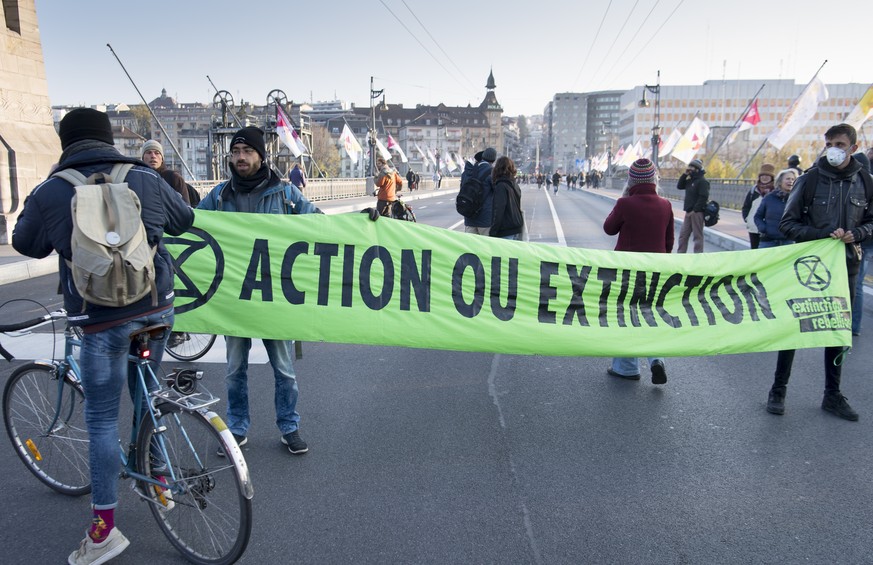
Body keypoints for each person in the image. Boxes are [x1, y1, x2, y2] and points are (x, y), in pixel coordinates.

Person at [12, 108, 195, 564]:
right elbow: (184, 221)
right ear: (110, 138)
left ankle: (104, 532)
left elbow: (25, 244)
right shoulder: (145, 177)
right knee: (147, 393)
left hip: (98, 317)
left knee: (99, 419)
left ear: (64, 142)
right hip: (155, 305)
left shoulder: (51, 190)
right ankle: (159, 480)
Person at [198, 126, 320, 454]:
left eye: (247, 151)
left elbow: (321, 223)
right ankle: (237, 428)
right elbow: (190, 225)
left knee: (284, 369)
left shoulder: (284, 193)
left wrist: (360, 223)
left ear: (260, 155)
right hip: (233, 299)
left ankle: (289, 427)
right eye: (235, 151)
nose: (240, 157)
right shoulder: (219, 195)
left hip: (274, 299)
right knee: (235, 370)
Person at [766, 123, 873, 421]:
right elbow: (787, 224)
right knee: (795, 328)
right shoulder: (810, 179)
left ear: (853, 147)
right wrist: (821, 235)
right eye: (829, 144)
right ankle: (778, 389)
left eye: (839, 144)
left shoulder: (866, 181)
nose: (833, 150)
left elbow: (872, 221)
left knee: (838, 332)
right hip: (808, 269)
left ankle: (832, 395)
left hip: (847, 269)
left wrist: (858, 233)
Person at [602, 159, 674, 384]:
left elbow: (609, 228)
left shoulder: (626, 204)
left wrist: (622, 203)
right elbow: (669, 242)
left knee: (627, 314)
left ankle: (627, 367)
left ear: (631, 179)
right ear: (654, 179)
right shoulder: (666, 205)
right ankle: (656, 359)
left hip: (628, 271)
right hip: (655, 270)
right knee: (650, 314)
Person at [852, 151, 873, 335]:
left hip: (862, 238)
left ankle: (853, 325)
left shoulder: (862, 183)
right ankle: (854, 325)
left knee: (855, 283)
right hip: (866, 238)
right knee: (857, 282)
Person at [754, 168, 796, 248]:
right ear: (780, 181)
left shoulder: (797, 200)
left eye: (793, 179)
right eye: (787, 179)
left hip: (788, 241)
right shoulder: (769, 198)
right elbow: (758, 216)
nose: (790, 181)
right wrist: (763, 228)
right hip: (768, 241)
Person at [141, 139, 191, 205]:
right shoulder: (139, 178)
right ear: (143, 158)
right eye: (149, 152)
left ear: (162, 158)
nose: (153, 156)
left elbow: (186, 207)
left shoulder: (174, 178)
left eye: (157, 153)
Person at [676, 159, 710, 253]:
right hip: (688, 212)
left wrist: (695, 210)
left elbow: (703, 197)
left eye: (692, 167)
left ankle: (697, 257)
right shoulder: (690, 180)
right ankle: (680, 255)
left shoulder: (702, 181)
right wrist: (684, 175)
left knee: (697, 236)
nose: (689, 169)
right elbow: (679, 186)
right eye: (689, 167)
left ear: (697, 169)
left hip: (697, 212)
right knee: (683, 235)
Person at [461, 147, 496, 235]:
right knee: (485, 246)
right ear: (493, 160)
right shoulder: (492, 173)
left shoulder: (468, 171)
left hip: (469, 216)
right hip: (485, 218)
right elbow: (497, 192)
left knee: (470, 247)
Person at [490, 156, 524, 240]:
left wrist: (493, 232)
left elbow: (498, 210)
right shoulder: (514, 184)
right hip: (517, 226)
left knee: (502, 253)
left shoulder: (501, 186)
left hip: (506, 229)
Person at [741, 163, 775, 249]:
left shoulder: (775, 191)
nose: (764, 177)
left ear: (772, 178)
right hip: (753, 227)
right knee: (754, 249)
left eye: (767, 176)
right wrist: (747, 219)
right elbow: (746, 206)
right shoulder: (754, 190)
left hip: (768, 227)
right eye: (762, 175)